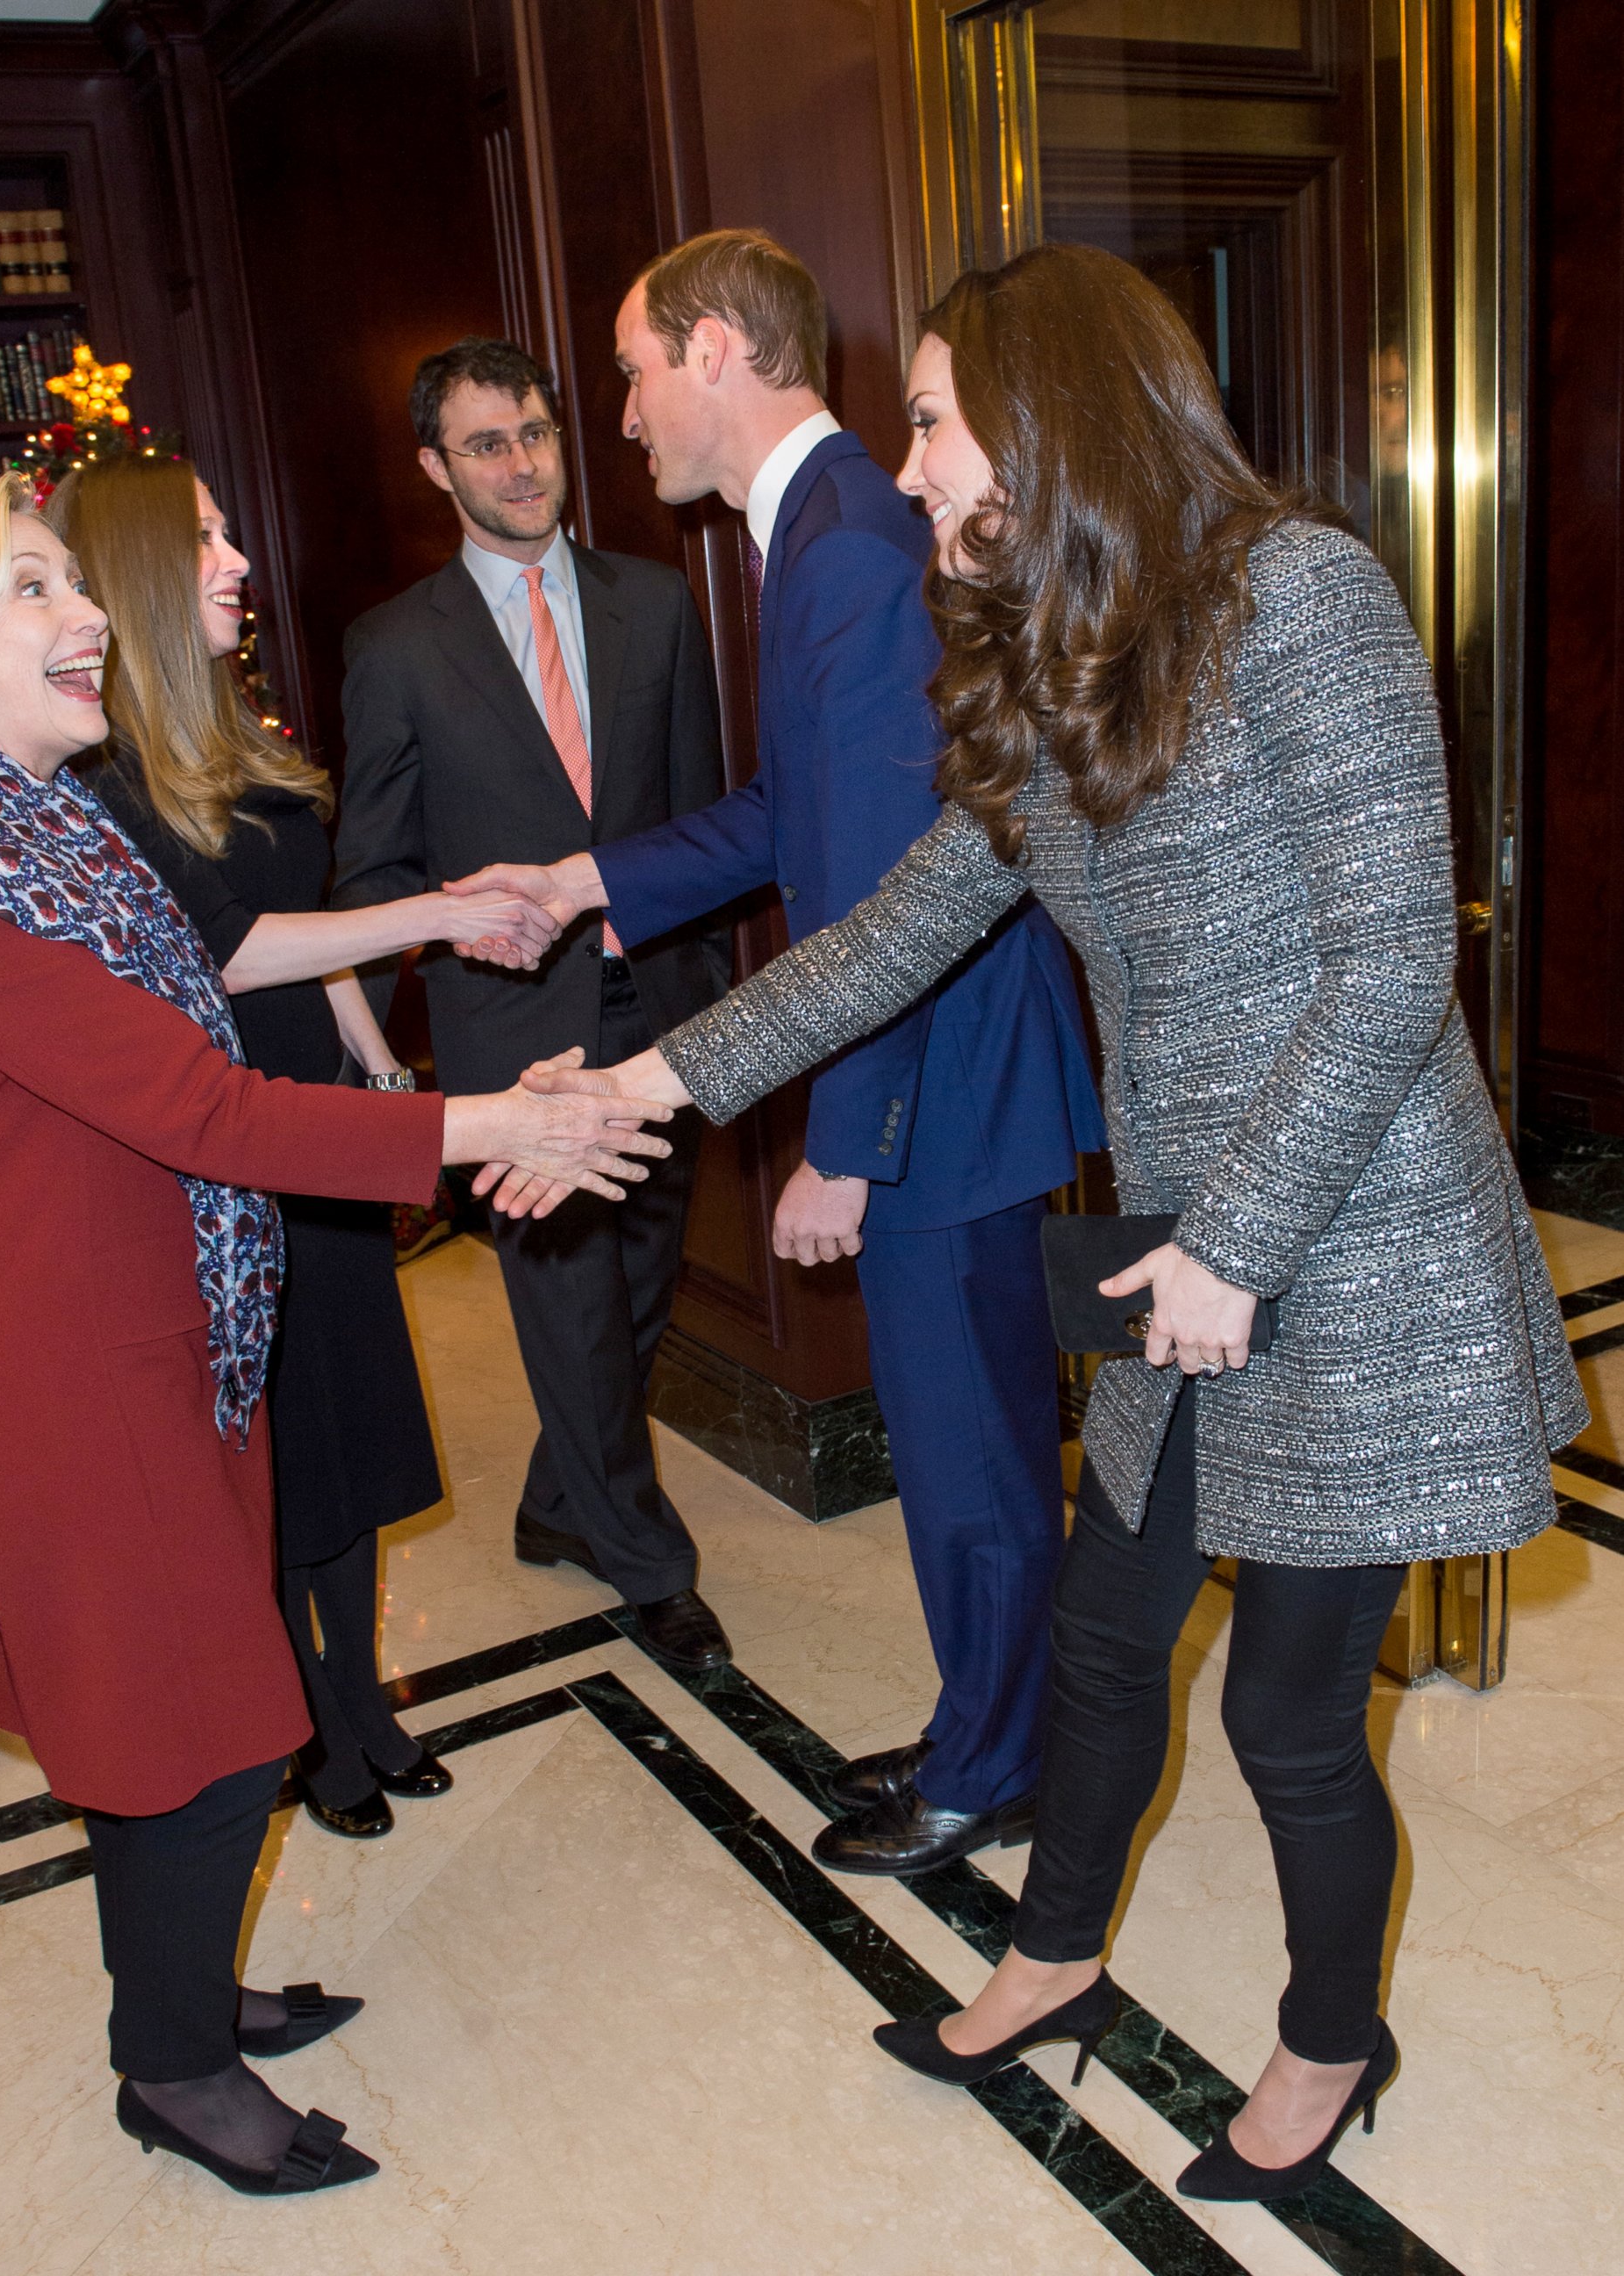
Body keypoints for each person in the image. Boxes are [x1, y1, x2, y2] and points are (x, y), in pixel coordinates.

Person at [526, 244, 1586, 2203]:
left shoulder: (1301, 596)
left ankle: (1334, 2040)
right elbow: (895, 937)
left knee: (1283, 1712)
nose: (910, 464)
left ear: (1054, 413)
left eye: (932, 420)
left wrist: (1237, 1243)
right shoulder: (1052, 654)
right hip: (1182, 1254)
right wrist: (639, 1088)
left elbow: (1383, 973)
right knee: (1108, 1644)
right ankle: (1055, 1959)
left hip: (1342, 1250)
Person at [0, 472, 672, 2197]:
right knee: (203, 1743)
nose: (86, 619)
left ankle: (185, 2004)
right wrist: (488, 1124)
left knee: (180, 1732)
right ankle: (175, 2071)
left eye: (77, 582)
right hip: (78, 1387)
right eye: (34, 593)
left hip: (141, 1343)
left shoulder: (29, 840)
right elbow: (205, 1110)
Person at [449, 230, 1106, 1876]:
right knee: (967, 1449)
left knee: (972, 1461)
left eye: (630, 366)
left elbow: (900, 881)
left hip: (941, 1083)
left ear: (722, 349)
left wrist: (843, 1138)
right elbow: (794, 817)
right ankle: (992, 1725)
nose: (618, 411)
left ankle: (999, 1763)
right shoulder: (813, 533)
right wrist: (588, 878)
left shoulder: (851, 550)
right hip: (932, 1071)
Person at [48, 454, 551, 1843]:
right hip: (224, 1142)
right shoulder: (98, 768)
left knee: (355, 1427)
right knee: (282, 1450)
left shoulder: (226, 724)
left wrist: (386, 1073)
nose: (236, 559)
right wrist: (434, 915)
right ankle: (314, 1721)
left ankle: (359, 1695)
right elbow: (237, 946)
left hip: (319, 1119)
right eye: (206, 538)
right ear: (145, 566)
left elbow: (308, 920)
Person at [330, 336, 735, 1673]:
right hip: (517, 1045)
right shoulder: (397, 647)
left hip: (664, 1014)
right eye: (486, 444)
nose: (521, 464)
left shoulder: (658, 605)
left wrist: (716, 996)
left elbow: (699, 825)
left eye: (537, 434)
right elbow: (373, 874)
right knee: (567, 1303)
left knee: (640, 1293)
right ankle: (647, 1563)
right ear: (437, 467)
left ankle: (562, 1503)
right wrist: (446, 965)